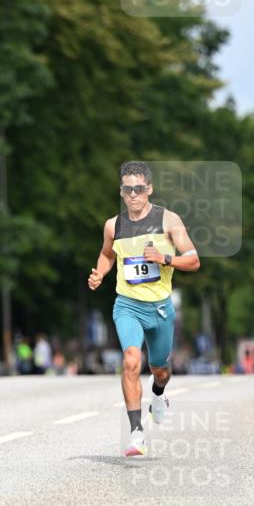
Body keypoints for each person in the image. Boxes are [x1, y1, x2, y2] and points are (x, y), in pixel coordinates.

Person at [88, 161, 200, 457]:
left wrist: (165, 258)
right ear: (121, 192)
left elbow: (193, 260)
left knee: (160, 371)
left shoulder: (169, 221)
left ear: (149, 189)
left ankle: (159, 394)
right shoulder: (114, 225)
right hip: (127, 305)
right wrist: (100, 273)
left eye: (139, 189)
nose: (134, 194)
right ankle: (136, 432)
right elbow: (106, 254)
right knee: (130, 360)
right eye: (128, 189)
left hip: (161, 308)